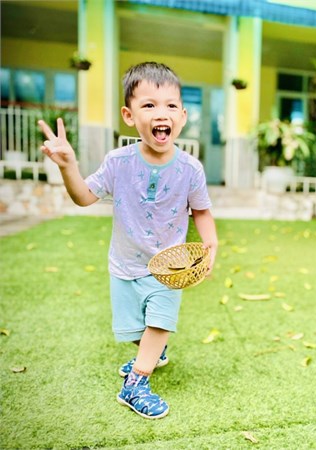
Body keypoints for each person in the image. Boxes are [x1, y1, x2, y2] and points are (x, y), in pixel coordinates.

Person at [38, 62, 218, 419]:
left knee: (160, 322)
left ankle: (135, 383)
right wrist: (68, 166)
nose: (161, 113)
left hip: (170, 267)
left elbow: (201, 211)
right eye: (149, 105)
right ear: (129, 115)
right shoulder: (118, 162)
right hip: (124, 265)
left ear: (182, 117)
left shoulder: (190, 169)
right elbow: (84, 197)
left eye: (170, 105)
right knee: (136, 330)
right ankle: (153, 351)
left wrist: (211, 246)